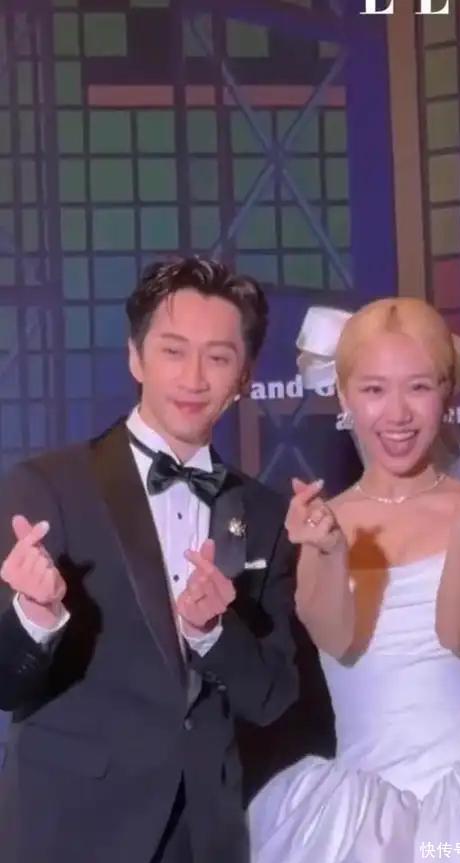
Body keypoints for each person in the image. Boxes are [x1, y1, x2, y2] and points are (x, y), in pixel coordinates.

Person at [248, 298, 460, 863]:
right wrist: (328, 550)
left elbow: (457, 631)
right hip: (360, 814)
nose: (397, 414)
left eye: (418, 387)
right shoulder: (323, 521)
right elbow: (335, 638)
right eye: (374, 389)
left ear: (446, 393)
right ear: (344, 395)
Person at [0, 257, 298, 863]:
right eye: (172, 351)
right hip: (72, 827)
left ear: (244, 375)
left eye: (218, 357)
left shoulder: (264, 514)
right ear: (135, 357)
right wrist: (36, 616)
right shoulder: (48, 485)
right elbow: (6, 684)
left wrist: (214, 634)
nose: (193, 378)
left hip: (204, 833)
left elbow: (271, 697)